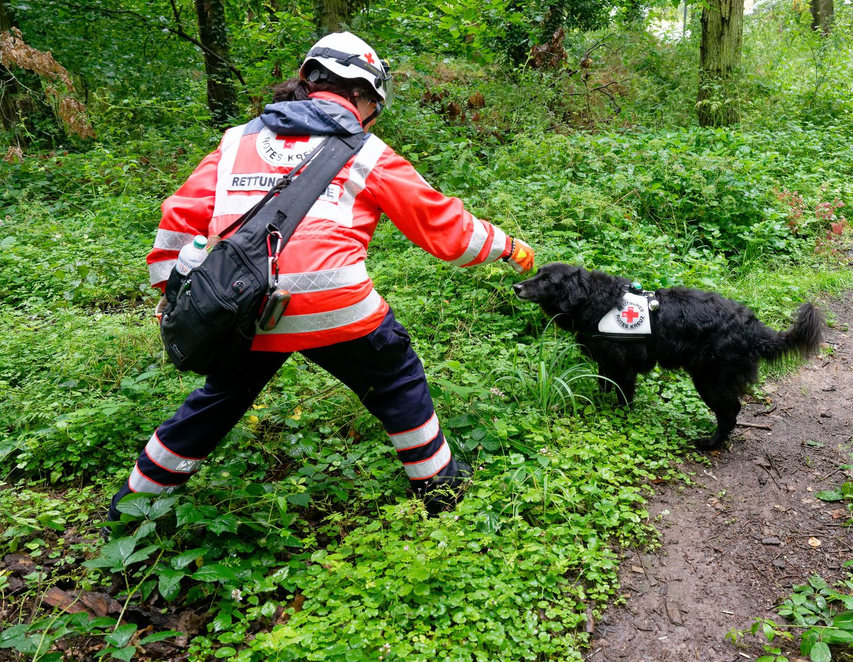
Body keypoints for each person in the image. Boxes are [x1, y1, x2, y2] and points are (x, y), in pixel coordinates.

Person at [106, 32, 535, 527]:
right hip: (338, 310)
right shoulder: (369, 153)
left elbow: (179, 221)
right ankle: (440, 492)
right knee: (397, 382)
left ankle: (130, 512)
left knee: (214, 403)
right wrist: (506, 246)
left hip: (244, 309)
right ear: (361, 95)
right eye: (374, 100)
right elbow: (446, 231)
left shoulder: (236, 141)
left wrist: (175, 297)